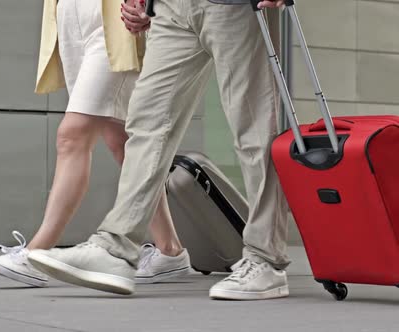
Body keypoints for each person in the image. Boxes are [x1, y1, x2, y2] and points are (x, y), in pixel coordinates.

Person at [27, 0, 293, 300]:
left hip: (235, 6)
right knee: (145, 123)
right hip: (171, 9)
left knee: (253, 132)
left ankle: (265, 260)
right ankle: (117, 248)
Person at [0, 0, 191, 288]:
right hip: (71, 18)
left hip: (115, 20)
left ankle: (36, 253)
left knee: (73, 134)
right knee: (122, 142)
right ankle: (170, 251)